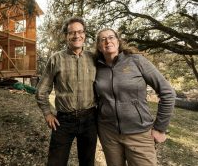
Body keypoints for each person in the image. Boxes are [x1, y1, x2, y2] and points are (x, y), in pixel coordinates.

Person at [94, 28, 176, 166]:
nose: (108, 41)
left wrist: (160, 128)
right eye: (103, 39)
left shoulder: (136, 61)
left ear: (118, 41)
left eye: (111, 37)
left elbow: (168, 92)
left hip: (139, 133)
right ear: (98, 46)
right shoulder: (96, 67)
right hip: (109, 134)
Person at [36, 17, 97, 166]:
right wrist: (47, 113)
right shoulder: (56, 59)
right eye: (72, 32)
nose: (77, 35)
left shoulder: (94, 58)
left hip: (90, 119)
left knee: (87, 162)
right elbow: (41, 91)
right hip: (64, 121)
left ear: (85, 35)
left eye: (80, 32)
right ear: (66, 36)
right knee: (55, 162)